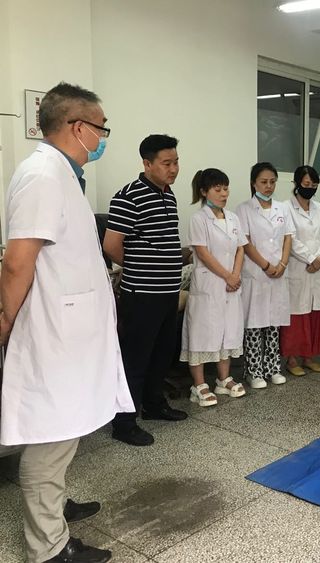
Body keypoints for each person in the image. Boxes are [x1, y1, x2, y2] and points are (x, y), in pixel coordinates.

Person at [1, 82, 133, 563]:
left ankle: (55, 507)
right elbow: (17, 261)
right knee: (50, 434)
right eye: (101, 128)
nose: (103, 138)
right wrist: (5, 321)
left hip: (71, 332)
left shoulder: (63, 174)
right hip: (53, 332)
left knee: (67, 424)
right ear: (78, 127)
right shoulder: (42, 175)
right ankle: (48, 548)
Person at [104, 134, 187, 447]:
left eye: (176, 162)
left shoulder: (168, 194)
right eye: (166, 163)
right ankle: (124, 422)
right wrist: (140, 267)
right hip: (141, 294)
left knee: (162, 353)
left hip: (168, 292)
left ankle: (154, 405)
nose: (173, 169)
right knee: (135, 359)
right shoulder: (129, 196)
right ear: (147, 163)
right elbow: (111, 245)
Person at [179, 168, 246, 406]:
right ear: (204, 192)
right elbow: (203, 253)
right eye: (217, 189)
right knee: (201, 332)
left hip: (231, 285)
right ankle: (198, 385)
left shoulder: (233, 218)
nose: (224, 193)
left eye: (225, 188)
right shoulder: (199, 219)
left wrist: (235, 275)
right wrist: (228, 276)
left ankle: (223, 379)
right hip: (209, 285)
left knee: (228, 330)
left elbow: (240, 248)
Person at [236, 162, 294, 389]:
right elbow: (246, 242)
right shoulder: (244, 209)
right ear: (254, 183)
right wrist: (266, 265)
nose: (268, 186)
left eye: (272, 182)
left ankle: (273, 369)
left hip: (278, 273)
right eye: (263, 182)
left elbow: (288, 237)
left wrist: (283, 263)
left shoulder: (283, 208)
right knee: (254, 323)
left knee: (274, 323)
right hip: (256, 273)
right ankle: (254, 372)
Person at [281, 165, 320, 376]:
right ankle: (292, 359)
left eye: (314, 184)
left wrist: (319, 258)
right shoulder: (285, 208)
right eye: (306, 184)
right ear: (297, 183)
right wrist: (311, 259)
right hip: (299, 268)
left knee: (316, 313)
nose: (310, 188)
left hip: (318, 268)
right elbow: (290, 239)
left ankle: (309, 357)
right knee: (298, 315)